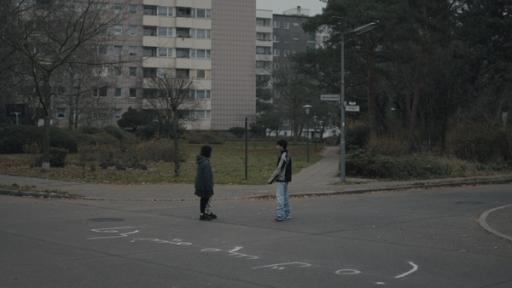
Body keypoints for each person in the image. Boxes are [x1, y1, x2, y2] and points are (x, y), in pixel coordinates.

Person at [267, 139, 292, 222]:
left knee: (280, 197)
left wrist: (271, 179)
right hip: (286, 179)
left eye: (277, 145)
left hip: (282, 178)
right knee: (285, 197)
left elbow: (279, 169)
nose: (276, 146)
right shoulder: (287, 154)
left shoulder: (283, 155)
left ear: (281, 146)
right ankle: (287, 213)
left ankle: (280, 215)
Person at [195, 145, 217, 221]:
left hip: (200, 184)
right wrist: (209, 187)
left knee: (205, 198)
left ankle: (206, 212)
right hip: (204, 185)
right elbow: (207, 177)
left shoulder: (202, 161)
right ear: (208, 153)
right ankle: (203, 214)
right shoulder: (206, 163)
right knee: (205, 198)